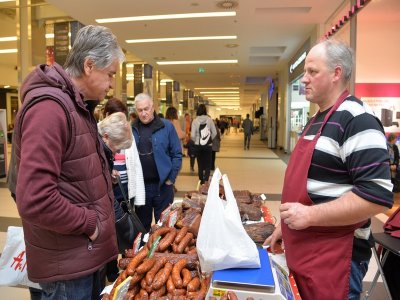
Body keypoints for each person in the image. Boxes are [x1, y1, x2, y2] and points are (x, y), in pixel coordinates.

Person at [264, 39, 393, 300]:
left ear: (336, 73)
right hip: (306, 250)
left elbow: (376, 196)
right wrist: (287, 227)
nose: (305, 80)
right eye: (304, 73)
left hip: (336, 257)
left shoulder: (357, 120)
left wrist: (309, 216)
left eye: (313, 72)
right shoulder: (316, 120)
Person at [13, 25, 125, 299]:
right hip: (67, 271)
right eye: (110, 74)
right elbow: (34, 197)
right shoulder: (50, 109)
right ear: (89, 66)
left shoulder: (77, 107)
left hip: (82, 260)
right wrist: (90, 224)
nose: (112, 84)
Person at [132, 93, 182, 231]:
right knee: (142, 229)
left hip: (163, 186)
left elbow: (177, 154)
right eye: (140, 110)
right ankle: (143, 252)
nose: (144, 113)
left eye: (146, 109)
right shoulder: (132, 129)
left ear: (153, 107)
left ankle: (161, 253)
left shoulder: (167, 127)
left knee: (164, 227)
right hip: (141, 188)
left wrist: (171, 179)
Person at [191, 104, 217, 184]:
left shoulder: (195, 121)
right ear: (205, 111)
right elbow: (215, 132)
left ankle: (201, 180)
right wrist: (210, 139)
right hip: (208, 145)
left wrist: (196, 141)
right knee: (208, 164)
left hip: (198, 145)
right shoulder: (209, 120)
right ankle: (206, 181)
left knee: (200, 163)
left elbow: (192, 135)